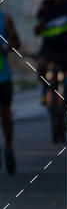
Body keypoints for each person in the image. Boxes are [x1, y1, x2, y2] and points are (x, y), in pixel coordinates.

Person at [0, 10, 20, 174]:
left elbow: (16, 43)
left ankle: (8, 147)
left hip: (3, 77)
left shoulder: (5, 19)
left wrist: (6, 46)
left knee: (5, 115)